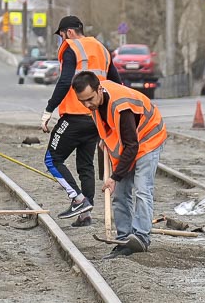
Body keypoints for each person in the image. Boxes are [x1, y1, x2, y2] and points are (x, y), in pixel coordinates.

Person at [71, 71, 168, 257]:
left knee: (142, 188)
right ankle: (124, 239)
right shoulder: (96, 103)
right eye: (82, 101)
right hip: (130, 141)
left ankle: (141, 237)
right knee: (119, 193)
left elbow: (132, 146)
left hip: (149, 136)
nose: (87, 104)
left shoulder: (121, 106)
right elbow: (108, 132)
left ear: (99, 89)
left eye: (90, 99)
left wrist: (115, 177)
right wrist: (109, 178)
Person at [40, 15, 123, 228]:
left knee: (52, 159)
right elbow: (117, 83)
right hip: (96, 118)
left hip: (75, 117)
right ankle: (85, 215)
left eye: (61, 35)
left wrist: (49, 109)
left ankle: (78, 200)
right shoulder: (102, 48)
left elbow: (66, 80)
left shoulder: (71, 47)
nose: (61, 40)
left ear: (68, 32)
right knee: (85, 164)